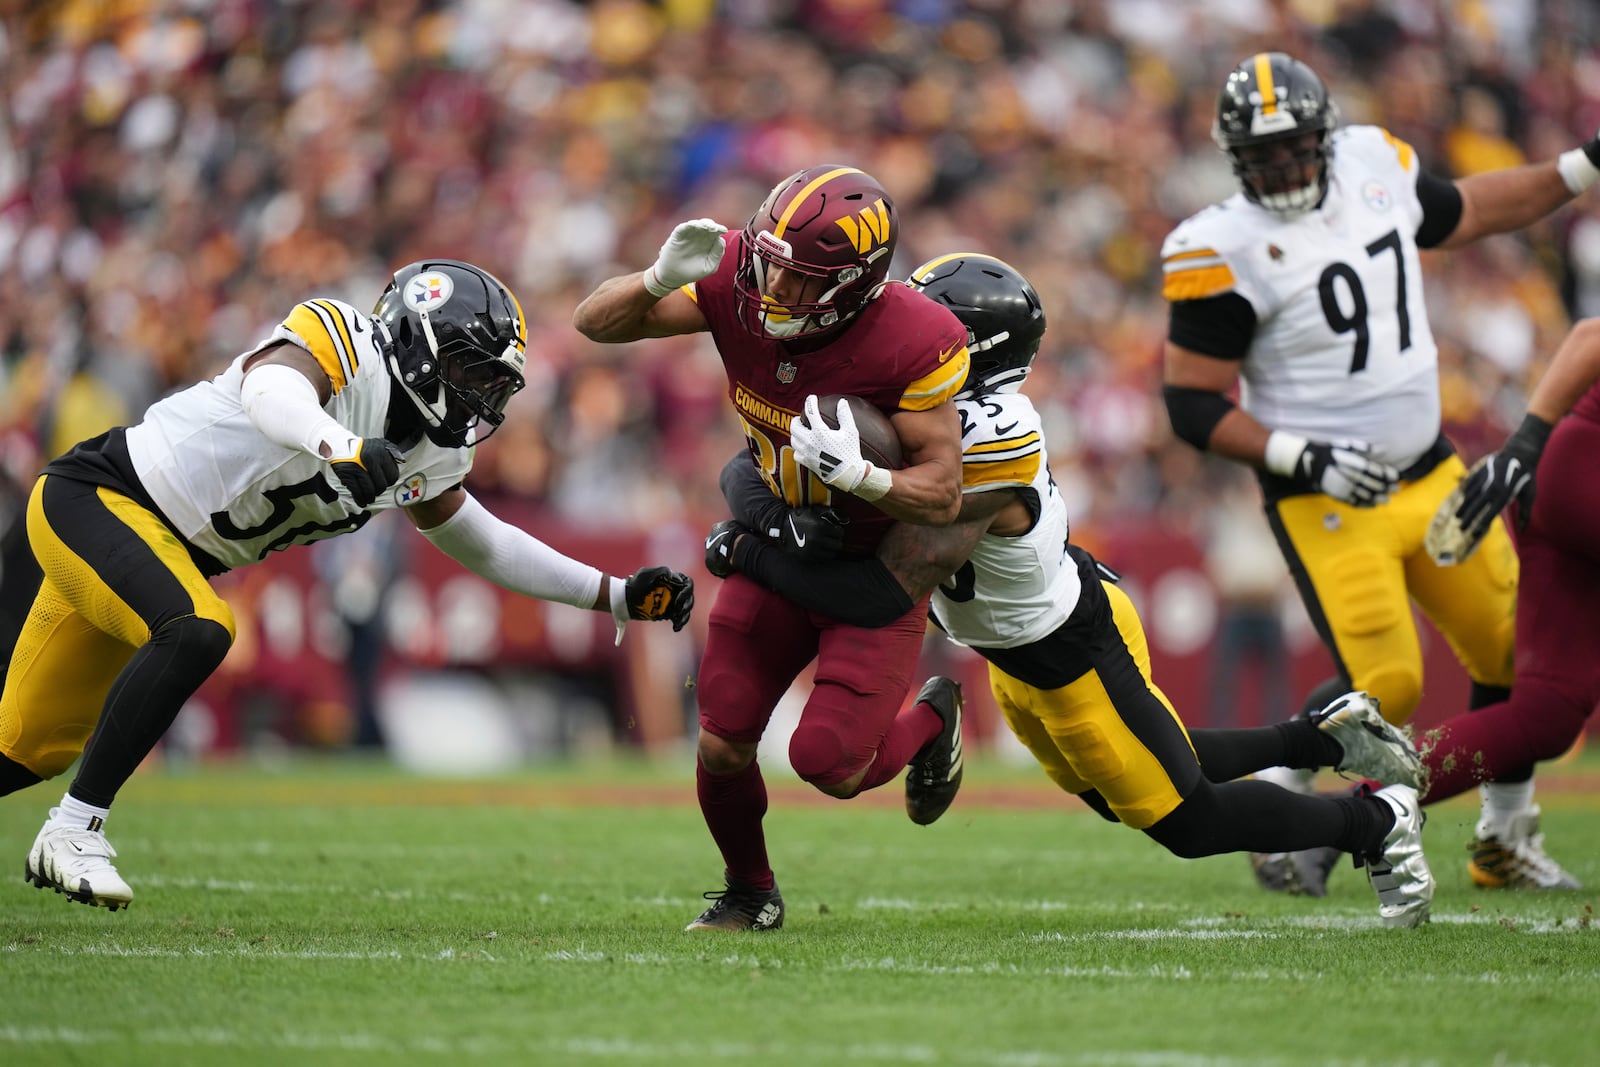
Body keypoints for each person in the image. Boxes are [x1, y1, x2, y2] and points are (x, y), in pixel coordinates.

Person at [707, 252, 1435, 927]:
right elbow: (756, 461)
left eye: (923, 324)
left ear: (966, 350)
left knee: (1186, 820)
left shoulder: (986, 439)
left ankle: (1375, 823)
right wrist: (773, 511)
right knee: (1132, 783)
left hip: (1071, 646)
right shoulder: (916, 411)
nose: (898, 334)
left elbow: (878, 594)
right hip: (1013, 651)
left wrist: (752, 548)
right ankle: (1323, 736)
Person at [2, 259, 695, 911]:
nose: (479, 395)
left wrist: (613, 594)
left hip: (163, 546)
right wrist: (339, 444)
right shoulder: (346, 340)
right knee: (199, 627)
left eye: (491, 383)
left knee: (27, 744)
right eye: (467, 369)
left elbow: (485, 541)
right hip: (101, 498)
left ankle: (67, 816)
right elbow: (270, 388)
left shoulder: (435, 446)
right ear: (420, 344)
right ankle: (73, 829)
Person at [1159, 51, 1598, 893]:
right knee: (1388, 681)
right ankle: (1284, 804)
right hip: (1326, 494)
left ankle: (1504, 840)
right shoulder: (1219, 247)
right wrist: (1302, 454)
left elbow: (1470, 209)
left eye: (1293, 150)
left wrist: (1584, 164)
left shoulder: (1371, 162)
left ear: (1324, 136)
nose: (1282, 169)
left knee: (1514, 650)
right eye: (1262, 156)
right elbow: (1192, 403)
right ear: (1234, 159)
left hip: (1432, 469)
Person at [572, 165, 973, 932]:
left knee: (832, 764)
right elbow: (597, 322)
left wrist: (864, 476)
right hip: (781, 536)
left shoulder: (913, 339)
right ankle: (750, 891)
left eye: (798, 280)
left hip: (873, 565)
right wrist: (658, 277)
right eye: (768, 264)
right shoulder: (738, 273)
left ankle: (934, 717)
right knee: (723, 739)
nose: (772, 288)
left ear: (855, 285)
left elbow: (943, 491)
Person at [1415, 316, 1600, 888]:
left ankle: (1372, 802)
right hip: (1583, 468)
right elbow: (1592, 336)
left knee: (1546, 712)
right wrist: (1523, 443)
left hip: (1565, 470)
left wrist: (1528, 447)